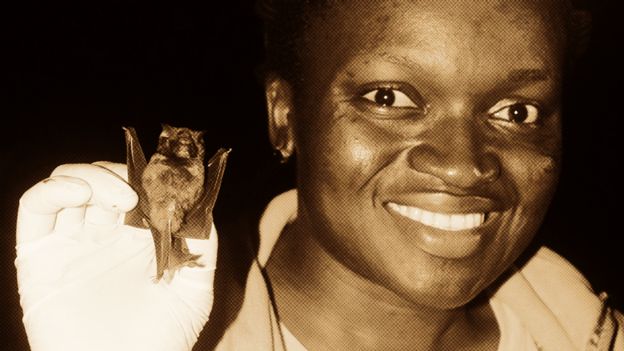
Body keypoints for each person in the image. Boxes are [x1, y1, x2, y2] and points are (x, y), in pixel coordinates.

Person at [14, 0, 624, 350]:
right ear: (286, 118)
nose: (464, 165)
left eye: (516, 112)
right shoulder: (173, 337)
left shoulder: (581, 326)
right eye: (388, 98)